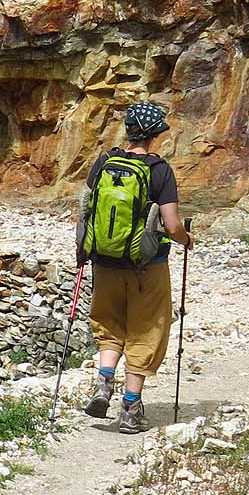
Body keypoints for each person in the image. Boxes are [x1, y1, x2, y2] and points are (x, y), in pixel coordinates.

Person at [77, 100, 193, 433]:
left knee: (110, 323)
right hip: (147, 266)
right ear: (156, 134)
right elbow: (171, 225)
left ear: (127, 130)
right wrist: (186, 240)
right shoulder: (159, 171)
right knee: (146, 329)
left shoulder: (104, 163)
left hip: (105, 262)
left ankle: (104, 383)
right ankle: (129, 408)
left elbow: (86, 209)